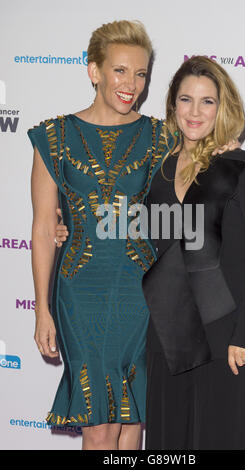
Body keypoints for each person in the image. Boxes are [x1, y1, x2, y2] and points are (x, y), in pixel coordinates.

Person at [28, 20, 170, 451]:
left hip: (143, 292)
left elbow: (178, 214)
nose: (132, 84)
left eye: (141, 73)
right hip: (80, 292)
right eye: (121, 70)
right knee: (101, 426)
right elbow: (40, 228)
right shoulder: (53, 137)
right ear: (95, 71)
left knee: (133, 424)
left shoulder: (162, 136)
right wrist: (41, 309)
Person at [142, 56, 245, 449]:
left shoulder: (243, 167)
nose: (195, 112)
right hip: (169, 338)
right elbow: (145, 238)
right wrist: (65, 227)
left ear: (223, 108)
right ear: (173, 106)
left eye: (207, 101)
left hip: (228, 340)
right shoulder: (162, 171)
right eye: (186, 100)